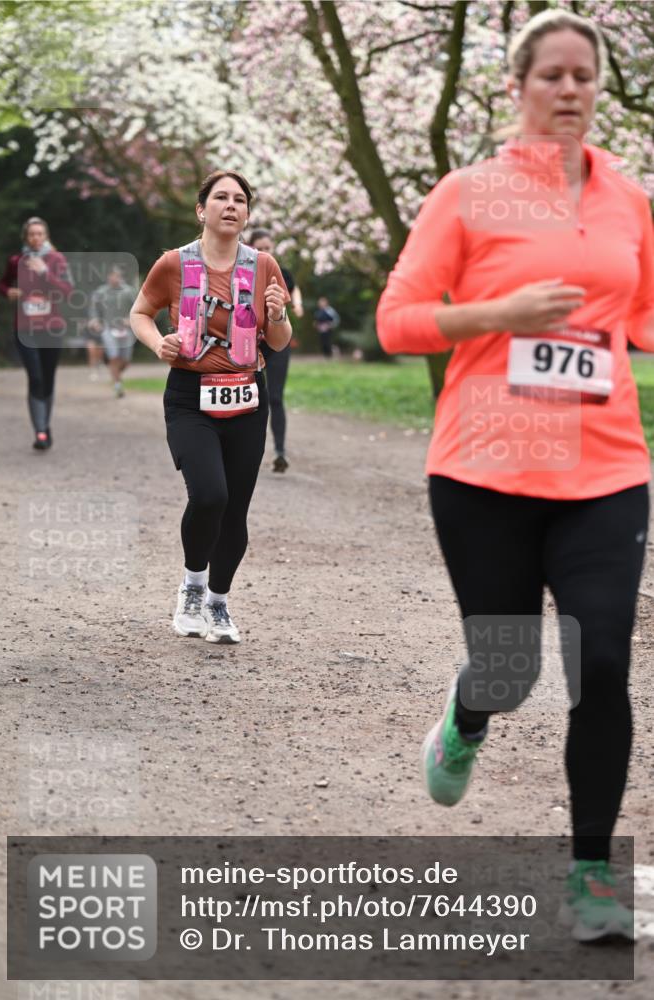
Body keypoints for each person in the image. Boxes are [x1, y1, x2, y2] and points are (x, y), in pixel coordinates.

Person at [376, 8, 653, 943]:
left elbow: (645, 317)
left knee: (602, 662)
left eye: (584, 75)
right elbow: (398, 321)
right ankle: (465, 717)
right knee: (510, 668)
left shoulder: (628, 199)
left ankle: (589, 877)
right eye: (552, 76)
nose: (569, 90)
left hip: (605, 467)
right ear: (518, 86)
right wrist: (501, 310)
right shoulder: (468, 192)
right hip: (484, 467)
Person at [130, 170, 291, 643]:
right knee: (209, 496)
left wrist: (278, 314)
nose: (230, 205)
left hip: (246, 395)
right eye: (220, 197)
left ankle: (219, 605)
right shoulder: (173, 264)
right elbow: (140, 313)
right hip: (190, 397)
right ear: (202, 210)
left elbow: (279, 342)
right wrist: (157, 341)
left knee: (235, 510)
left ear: (246, 213)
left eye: (239, 199)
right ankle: (193, 589)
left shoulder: (263, 265)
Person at [0, 217, 73, 449]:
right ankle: (40, 432)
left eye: (40, 234)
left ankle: (45, 426)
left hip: (52, 328)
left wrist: (44, 272)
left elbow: (67, 291)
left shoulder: (57, 260)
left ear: (46, 236)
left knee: (48, 380)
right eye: (31, 234)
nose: (35, 238)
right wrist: (8, 291)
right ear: (26, 237)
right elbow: (2, 284)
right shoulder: (16, 260)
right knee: (36, 377)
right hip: (25, 328)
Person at [249, 229, 304, 472]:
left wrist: (298, 304)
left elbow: (294, 287)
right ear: (250, 248)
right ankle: (247, 450)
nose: (265, 252)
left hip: (278, 343)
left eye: (268, 247)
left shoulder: (281, 273)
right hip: (250, 343)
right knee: (252, 397)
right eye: (259, 247)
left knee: (275, 397)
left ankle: (280, 452)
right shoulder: (241, 273)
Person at [88, 265, 137, 398]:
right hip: (108, 329)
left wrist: (131, 319)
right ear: (108, 277)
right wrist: (95, 320)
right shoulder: (101, 292)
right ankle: (118, 385)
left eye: (117, 275)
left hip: (126, 330)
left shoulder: (129, 292)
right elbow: (93, 309)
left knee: (125, 360)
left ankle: (115, 372)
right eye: (112, 275)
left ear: (121, 277)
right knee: (114, 356)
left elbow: (139, 308)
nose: (115, 278)